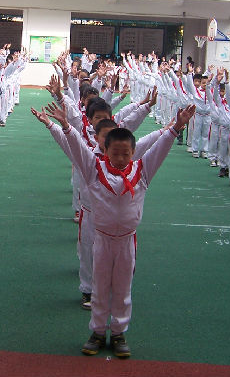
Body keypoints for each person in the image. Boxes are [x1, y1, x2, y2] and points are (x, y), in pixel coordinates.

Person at [38, 98, 195, 358]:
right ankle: (98, 331)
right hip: (101, 239)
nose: (121, 158)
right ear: (105, 151)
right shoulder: (94, 169)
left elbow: (160, 149)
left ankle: (119, 332)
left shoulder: (142, 171)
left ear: (134, 153)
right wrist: (65, 126)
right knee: (99, 286)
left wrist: (176, 128)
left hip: (126, 242)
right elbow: (76, 148)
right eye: (115, 153)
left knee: (122, 288)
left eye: (126, 154)